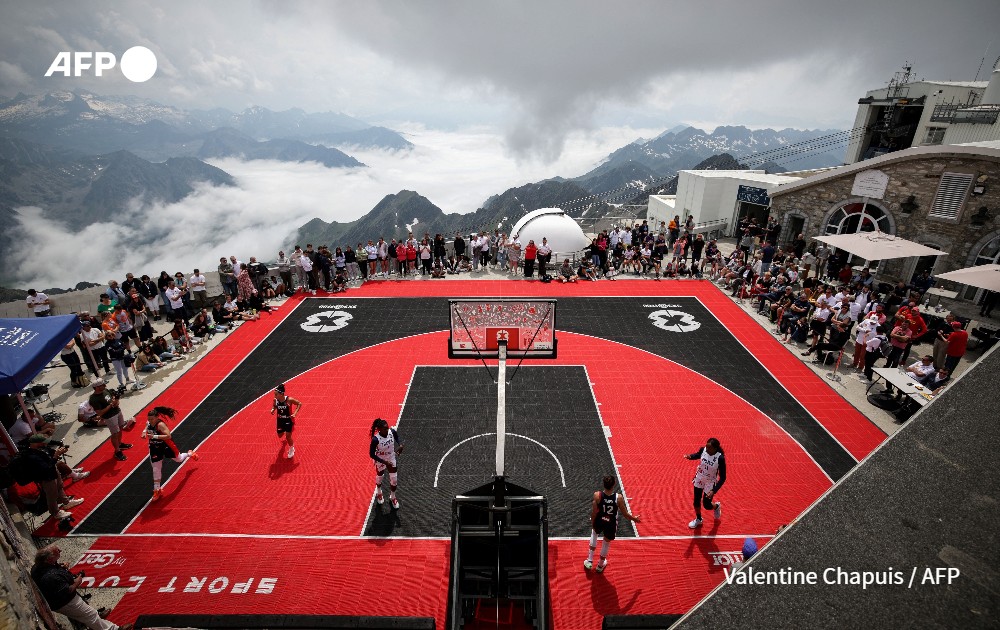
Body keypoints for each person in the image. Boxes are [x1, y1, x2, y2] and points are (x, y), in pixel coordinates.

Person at [33, 544, 134, 630]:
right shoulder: (51, 576)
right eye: (57, 552)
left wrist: (59, 566)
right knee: (90, 615)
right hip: (66, 602)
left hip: (62, 599)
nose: (60, 551)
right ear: (50, 559)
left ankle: (93, 622)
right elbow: (68, 590)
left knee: (86, 613)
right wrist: (78, 581)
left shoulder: (38, 567)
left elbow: (54, 573)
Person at [583, 475, 641, 573]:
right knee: (606, 543)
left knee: (594, 533)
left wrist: (592, 521)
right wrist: (634, 519)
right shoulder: (618, 498)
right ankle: (600, 565)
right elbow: (625, 514)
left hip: (599, 520)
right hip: (611, 523)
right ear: (614, 484)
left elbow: (594, 512)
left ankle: (589, 560)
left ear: (604, 484)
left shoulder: (597, 495)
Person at [140, 406, 199, 500]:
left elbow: (168, 436)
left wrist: (154, 436)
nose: (150, 420)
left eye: (151, 419)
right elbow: (147, 425)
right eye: (149, 419)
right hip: (155, 447)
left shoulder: (160, 425)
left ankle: (189, 454)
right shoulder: (149, 422)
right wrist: (144, 432)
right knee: (156, 468)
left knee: (178, 459)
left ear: (157, 417)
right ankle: (157, 490)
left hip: (166, 445)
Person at [684, 437, 726, 528]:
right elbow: (698, 455)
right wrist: (690, 456)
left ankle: (716, 506)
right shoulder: (703, 450)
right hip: (700, 478)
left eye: (709, 448)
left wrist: (713, 491)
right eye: (706, 447)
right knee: (696, 501)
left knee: (707, 505)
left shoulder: (720, 458)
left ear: (715, 448)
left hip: (710, 482)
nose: (706, 449)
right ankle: (699, 519)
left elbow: (723, 478)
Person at [88, 379, 133, 461]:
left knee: (120, 428)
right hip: (109, 417)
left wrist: (116, 401)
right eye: (102, 385)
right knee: (114, 433)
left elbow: (113, 398)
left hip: (117, 412)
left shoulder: (105, 390)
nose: (105, 386)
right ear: (97, 387)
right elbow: (100, 413)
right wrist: (111, 405)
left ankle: (120, 444)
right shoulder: (94, 399)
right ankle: (117, 451)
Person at [370, 418, 403, 509]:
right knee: (380, 476)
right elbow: (371, 454)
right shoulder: (375, 440)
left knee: (394, 479)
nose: (387, 430)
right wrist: (384, 462)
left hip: (391, 457)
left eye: (387, 428)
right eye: (385, 428)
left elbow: (396, 437)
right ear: (379, 429)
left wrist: (400, 445)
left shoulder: (391, 432)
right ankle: (379, 492)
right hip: (380, 459)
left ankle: (393, 497)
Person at [271, 384, 302, 458]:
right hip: (280, 420)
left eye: (276, 394)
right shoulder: (275, 400)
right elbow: (274, 405)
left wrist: (294, 413)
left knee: (288, 436)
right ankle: (285, 431)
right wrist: (273, 409)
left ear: (281, 394)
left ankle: (292, 448)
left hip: (288, 420)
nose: (275, 396)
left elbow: (299, 403)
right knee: (280, 435)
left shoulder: (289, 400)